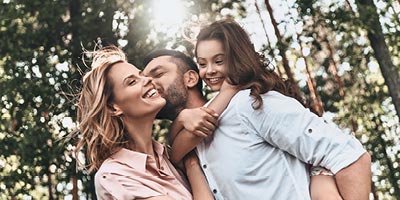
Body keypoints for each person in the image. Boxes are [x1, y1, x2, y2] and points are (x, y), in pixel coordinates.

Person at [143, 19, 371, 200]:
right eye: (203, 63)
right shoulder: (186, 146)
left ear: (191, 78)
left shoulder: (250, 104)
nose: (147, 83)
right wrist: (183, 118)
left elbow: (349, 156)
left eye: (158, 74)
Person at [72, 46, 213, 200]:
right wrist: (191, 163)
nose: (148, 80)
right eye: (132, 82)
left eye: (140, 75)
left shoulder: (167, 157)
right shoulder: (115, 176)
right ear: (113, 107)